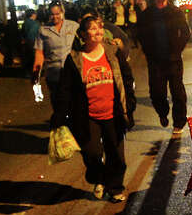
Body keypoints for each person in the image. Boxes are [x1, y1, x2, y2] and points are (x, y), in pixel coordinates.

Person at [50, 15, 135, 202]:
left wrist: (129, 103)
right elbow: (66, 90)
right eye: (92, 28)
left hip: (113, 112)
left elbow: (127, 78)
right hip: (88, 116)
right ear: (82, 34)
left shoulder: (112, 52)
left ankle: (115, 188)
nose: (97, 31)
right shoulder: (74, 60)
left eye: (99, 27)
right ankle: (99, 178)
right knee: (92, 153)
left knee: (116, 155)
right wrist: (59, 114)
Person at [137, 0, 190, 136]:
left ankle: (179, 122)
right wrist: (148, 51)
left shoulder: (175, 12)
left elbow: (186, 33)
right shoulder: (147, 15)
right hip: (155, 61)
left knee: (178, 92)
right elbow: (140, 34)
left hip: (173, 60)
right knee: (157, 92)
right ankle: (162, 112)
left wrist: (177, 48)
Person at [33, 1, 79, 114]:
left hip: (72, 72)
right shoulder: (43, 30)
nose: (55, 17)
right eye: (52, 14)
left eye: (57, 13)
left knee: (74, 102)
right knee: (58, 104)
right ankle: (61, 126)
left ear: (63, 12)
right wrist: (36, 72)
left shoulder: (73, 26)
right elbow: (39, 53)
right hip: (54, 74)